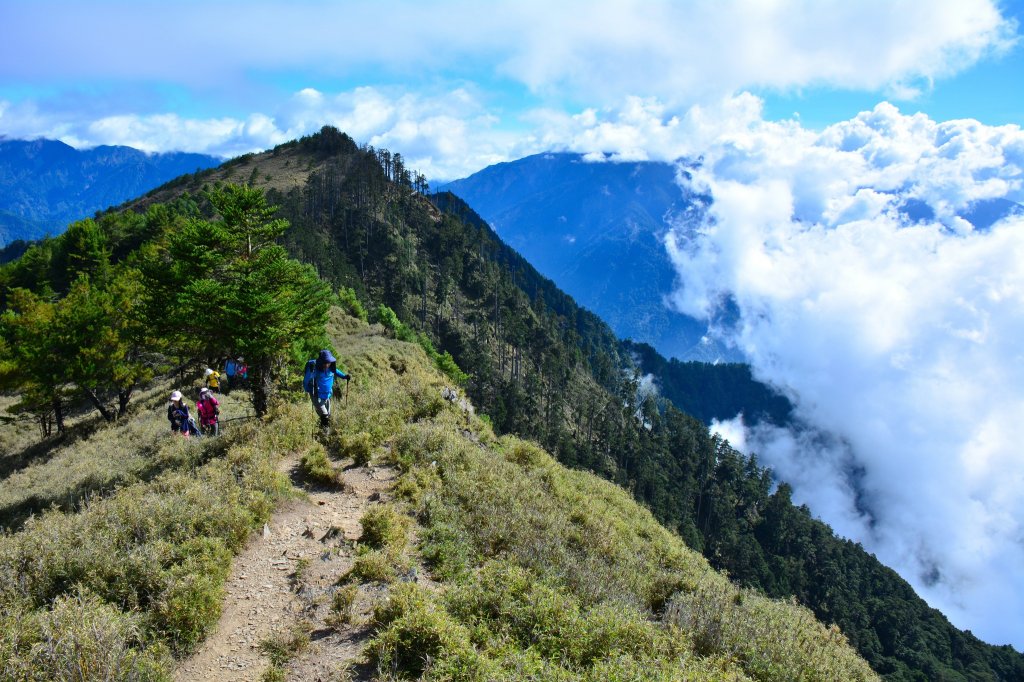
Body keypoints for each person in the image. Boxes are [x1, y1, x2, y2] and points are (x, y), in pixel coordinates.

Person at [303, 349, 351, 429]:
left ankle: (319, 430)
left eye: (328, 362)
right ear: (320, 362)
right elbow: (306, 380)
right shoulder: (315, 370)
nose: (326, 364)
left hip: (327, 395)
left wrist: (344, 376)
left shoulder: (331, 368)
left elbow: (336, 371)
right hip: (317, 396)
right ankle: (325, 435)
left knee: (327, 416)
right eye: (325, 362)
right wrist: (307, 389)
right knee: (325, 417)